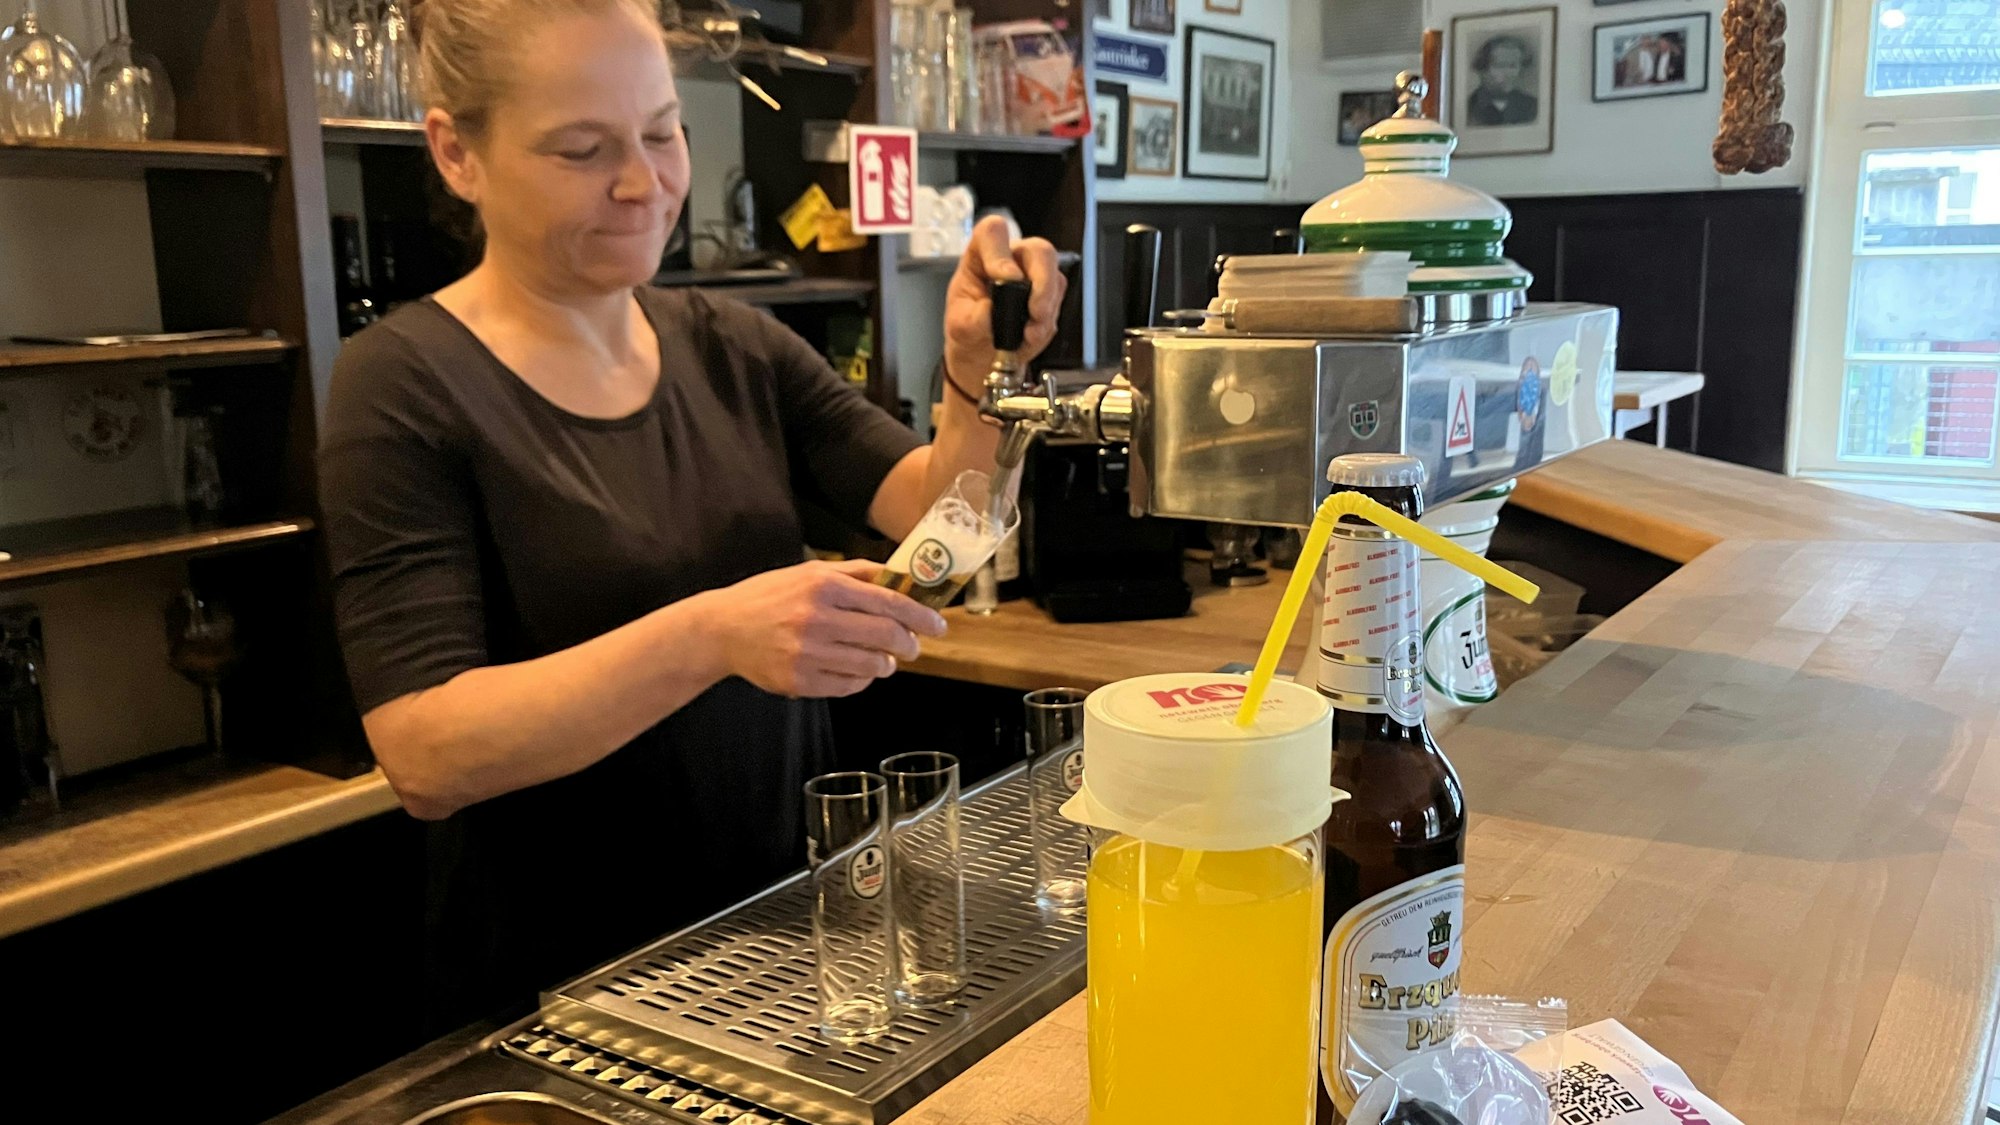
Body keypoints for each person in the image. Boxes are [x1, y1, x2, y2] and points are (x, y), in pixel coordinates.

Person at [318, 0, 1066, 1021]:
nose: (643, 183)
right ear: (456, 152)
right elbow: (425, 754)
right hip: (560, 985)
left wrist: (975, 375)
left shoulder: (733, 344)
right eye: (581, 150)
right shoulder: (401, 384)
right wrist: (715, 634)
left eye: (663, 133)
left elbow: (949, 526)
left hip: (779, 942)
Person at [1465, 33, 1538, 126]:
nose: (1507, 73)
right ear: (1483, 68)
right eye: (1499, 65)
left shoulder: (1532, 106)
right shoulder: (1469, 108)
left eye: (1512, 66)